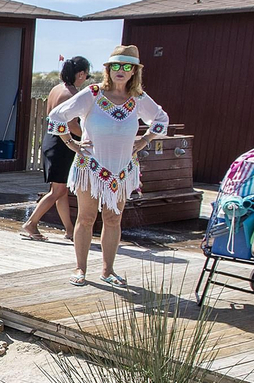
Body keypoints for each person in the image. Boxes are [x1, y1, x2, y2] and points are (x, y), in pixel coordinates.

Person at [47, 46, 169, 287]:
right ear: (108, 69)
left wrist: (143, 141)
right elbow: (57, 115)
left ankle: (108, 269)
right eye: (115, 66)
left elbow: (161, 119)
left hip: (122, 169)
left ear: (134, 71)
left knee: (113, 218)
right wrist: (71, 143)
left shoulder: (139, 99)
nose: (120, 71)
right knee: (86, 217)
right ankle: (80, 268)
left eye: (126, 66)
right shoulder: (92, 94)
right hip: (91, 166)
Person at [21, 56, 91, 240]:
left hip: (51, 140)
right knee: (58, 191)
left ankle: (69, 230)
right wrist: (87, 135)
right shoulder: (72, 93)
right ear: (81, 74)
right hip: (63, 144)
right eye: (87, 75)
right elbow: (71, 124)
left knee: (60, 190)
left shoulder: (55, 89)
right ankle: (31, 223)